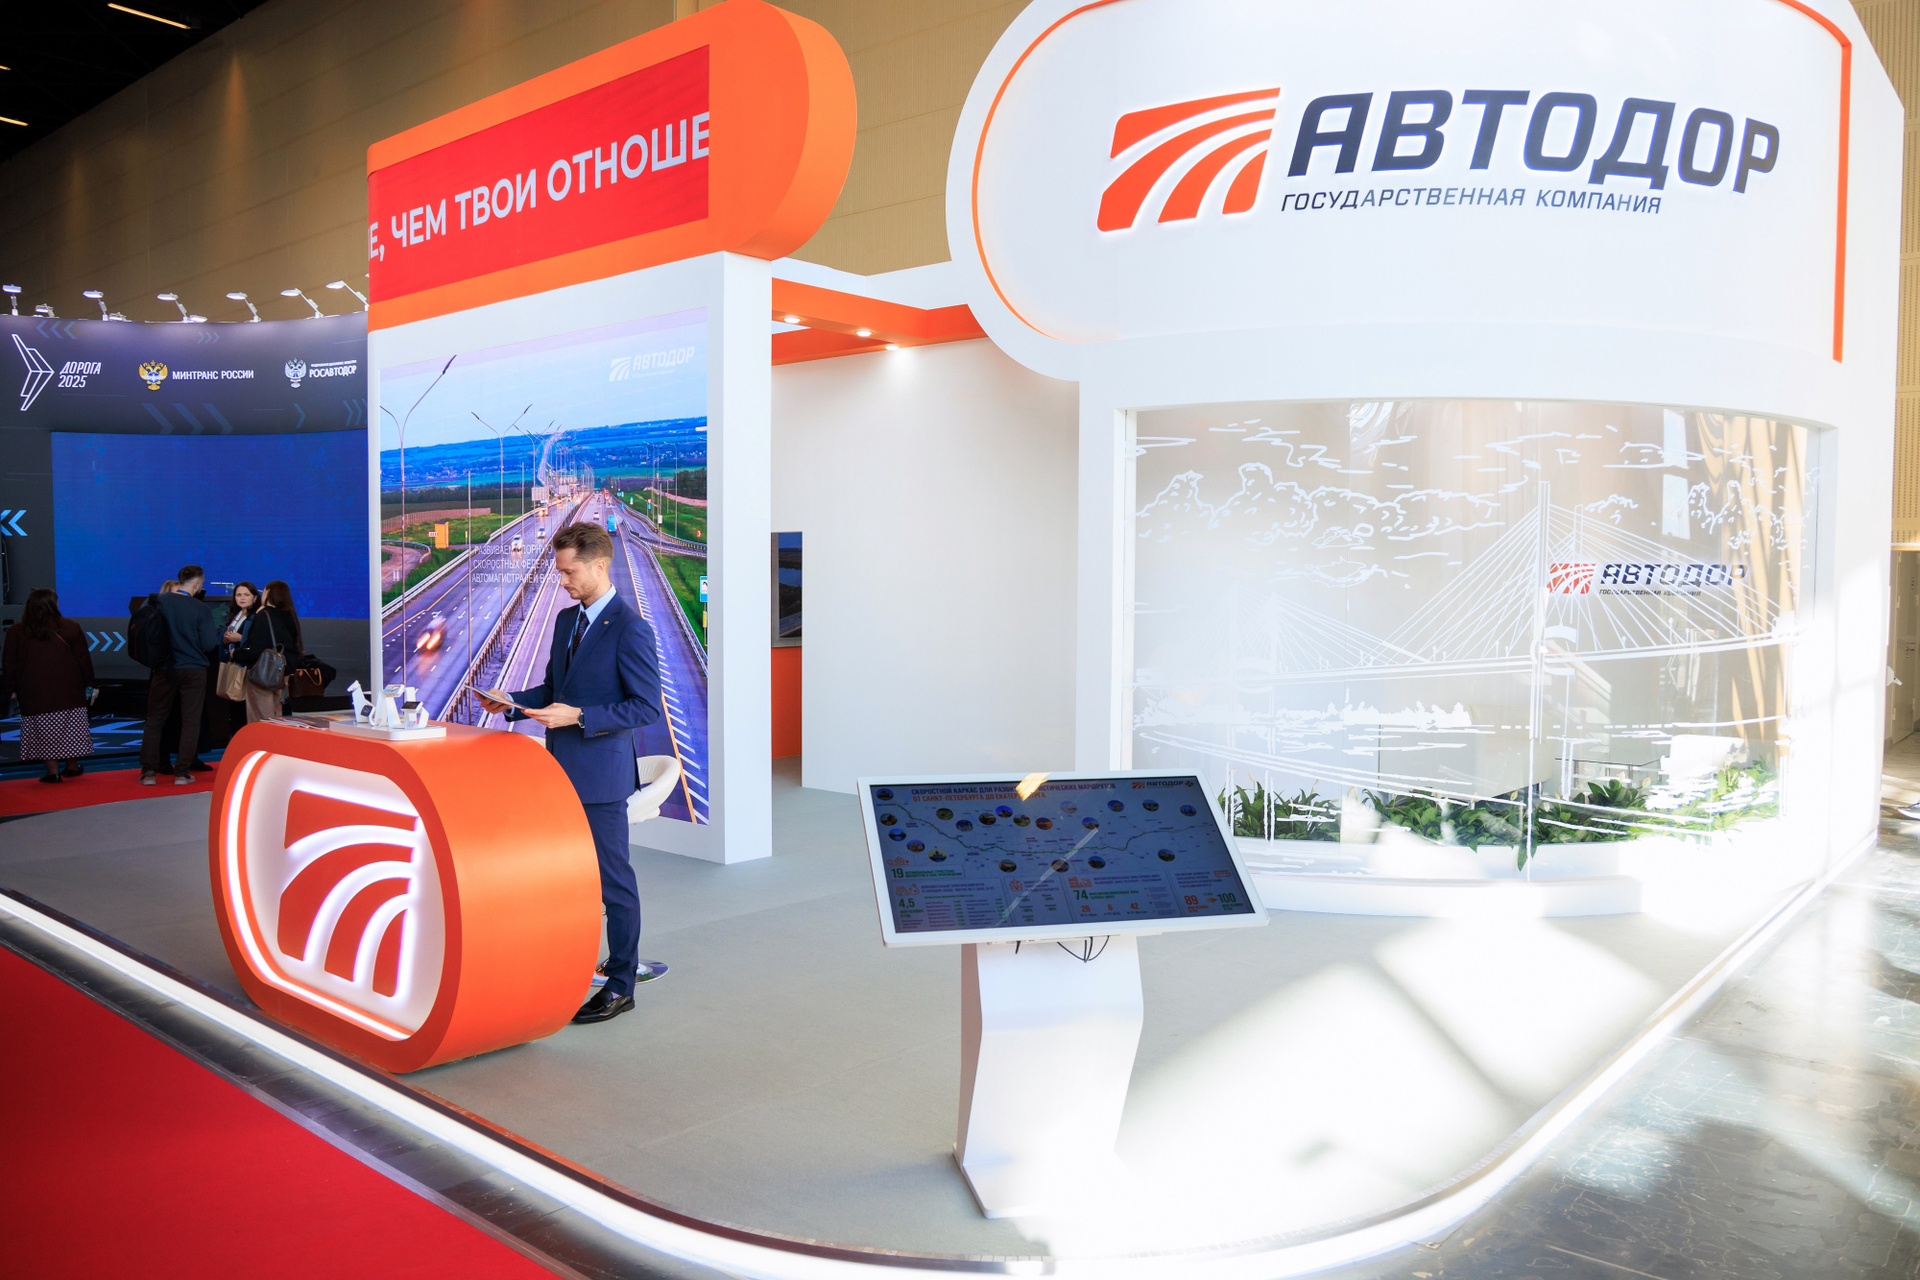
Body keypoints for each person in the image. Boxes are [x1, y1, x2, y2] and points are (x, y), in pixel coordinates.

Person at [479, 522, 663, 1026]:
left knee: (613, 883)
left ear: (599, 565)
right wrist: (510, 702)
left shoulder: (630, 628)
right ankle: (564, 966)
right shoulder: (566, 621)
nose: (562, 581)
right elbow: (552, 690)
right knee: (565, 879)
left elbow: (646, 707)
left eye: (568, 572)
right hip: (557, 774)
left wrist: (580, 717)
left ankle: (621, 985)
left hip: (601, 781)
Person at [138, 565, 223, 786]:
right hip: (193, 668)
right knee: (191, 722)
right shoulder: (200, 608)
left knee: (155, 720)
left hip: (163, 668)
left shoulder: (155, 601)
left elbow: (142, 629)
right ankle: (182, 773)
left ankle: (148, 772)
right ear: (197, 584)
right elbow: (208, 643)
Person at [1, 589, 94, 783]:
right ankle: (72, 766)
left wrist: (9, 689)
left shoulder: (17, 631)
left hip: (34, 692)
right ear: (53, 605)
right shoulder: (71, 626)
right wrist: (90, 684)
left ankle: (53, 772)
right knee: (70, 729)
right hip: (69, 690)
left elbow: (9, 663)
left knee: (43, 731)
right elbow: (83, 660)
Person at [232, 580, 299, 723]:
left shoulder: (264, 615)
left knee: (260, 717)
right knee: (277, 715)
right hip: (281, 673)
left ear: (268, 593)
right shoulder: (289, 615)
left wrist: (236, 654)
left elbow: (255, 650)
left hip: (262, 674)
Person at [215, 581, 260, 737]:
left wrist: (239, 638)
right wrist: (225, 638)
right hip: (232, 664)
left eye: (246, 595)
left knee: (242, 708)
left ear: (255, 597)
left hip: (246, 667)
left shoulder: (255, 617)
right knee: (234, 708)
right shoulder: (237, 614)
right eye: (239, 595)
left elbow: (256, 642)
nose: (242, 598)